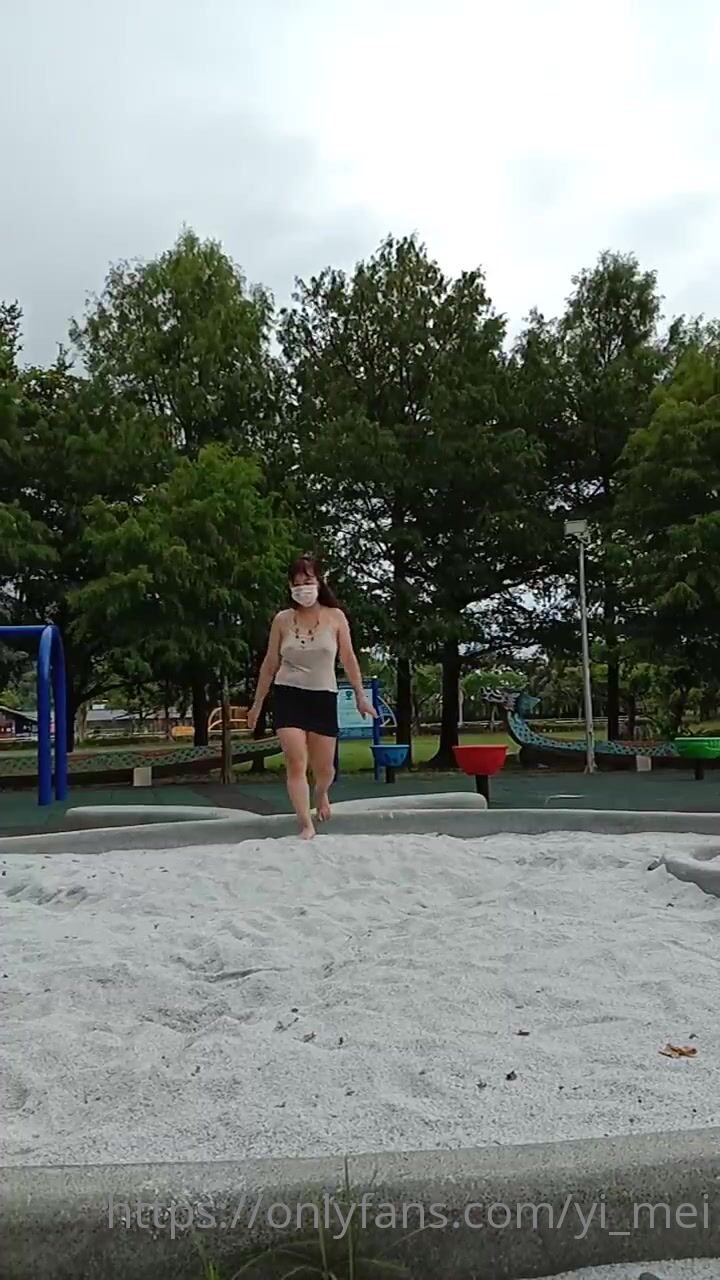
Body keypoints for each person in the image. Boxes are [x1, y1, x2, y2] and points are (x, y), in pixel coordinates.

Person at [247, 553, 376, 839]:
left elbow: (348, 659)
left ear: (319, 582)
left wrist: (360, 695)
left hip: (322, 696)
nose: (302, 588)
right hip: (288, 694)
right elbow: (270, 663)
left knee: (325, 769)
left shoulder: (335, 617)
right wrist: (257, 704)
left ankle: (321, 793)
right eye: (296, 584)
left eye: (307, 582)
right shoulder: (282, 620)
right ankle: (306, 823)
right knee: (296, 761)